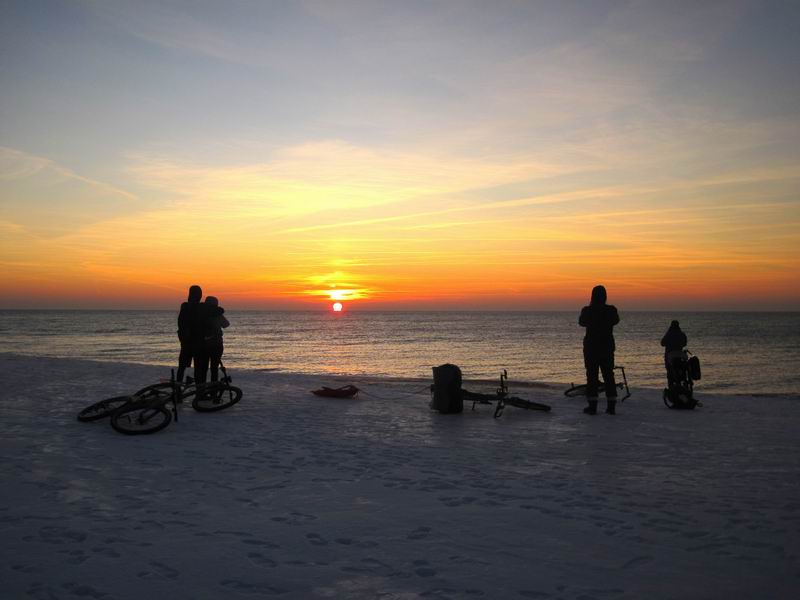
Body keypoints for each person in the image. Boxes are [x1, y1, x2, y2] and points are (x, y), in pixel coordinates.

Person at [578, 285, 620, 415]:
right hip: (607, 348)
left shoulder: (587, 310)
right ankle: (611, 407)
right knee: (609, 376)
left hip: (591, 348)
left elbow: (581, 322)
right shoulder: (611, 310)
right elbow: (616, 320)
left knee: (592, 377)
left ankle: (592, 406)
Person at [176, 285, 203, 383]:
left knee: (182, 367)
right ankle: (198, 389)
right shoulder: (201, 307)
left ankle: (178, 386)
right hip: (196, 342)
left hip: (185, 341)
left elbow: (180, 323)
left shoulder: (184, 306)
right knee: (198, 368)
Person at [202, 296, 230, 382]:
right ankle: (213, 386)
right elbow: (226, 324)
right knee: (214, 368)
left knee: (203, 368)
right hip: (217, 344)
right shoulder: (217, 314)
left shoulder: (201, 314)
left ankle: (202, 386)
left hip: (204, 345)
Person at [661, 320, 688, 389]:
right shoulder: (682, 334)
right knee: (682, 367)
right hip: (680, 354)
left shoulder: (669, 334)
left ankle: (671, 387)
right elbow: (685, 343)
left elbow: (662, 343)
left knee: (669, 370)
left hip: (671, 355)